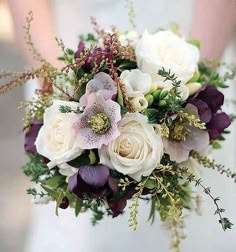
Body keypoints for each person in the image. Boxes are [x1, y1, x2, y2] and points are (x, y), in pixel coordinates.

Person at [6, 0, 236, 251]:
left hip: (193, 48)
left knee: (198, 226)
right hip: (64, 59)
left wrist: (190, 88)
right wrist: (61, 86)